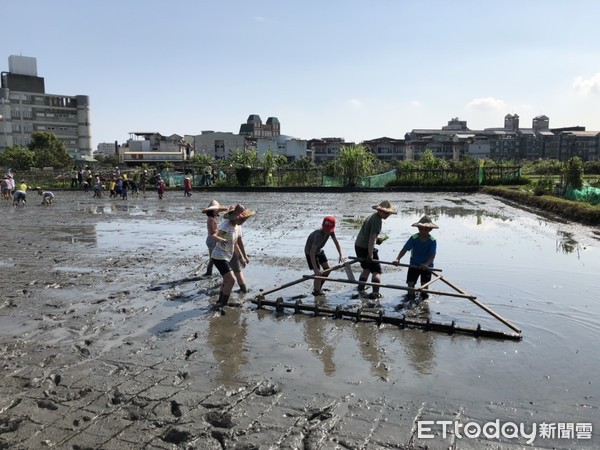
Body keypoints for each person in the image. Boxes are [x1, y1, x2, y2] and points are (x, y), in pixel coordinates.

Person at [211, 204, 255, 306]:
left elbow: (235, 244)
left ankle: (220, 301)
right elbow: (214, 235)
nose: (244, 221)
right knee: (231, 280)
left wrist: (241, 257)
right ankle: (223, 304)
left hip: (227, 256)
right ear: (235, 217)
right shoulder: (225, 226)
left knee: (226, 280)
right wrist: (220, 239)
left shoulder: (236, 227)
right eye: (242, 218)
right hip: (219, 256)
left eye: (244, 218)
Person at [354, 200, 397, 299]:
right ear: (380, 211)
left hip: (359, 245)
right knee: (376, 271)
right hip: (366, 247)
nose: (387, 215)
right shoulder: (377, 221)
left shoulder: (372, 216)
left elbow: (369, 234)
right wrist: (370, 254)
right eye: (386, 212)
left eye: (389, 213)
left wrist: (377, 240)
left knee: (366, 268)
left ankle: (360, 288)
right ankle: (375, 294)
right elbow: (372, 238)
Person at [393, 215, 438, 299]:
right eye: (421, 228)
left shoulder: (432, 240)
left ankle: (424, 300)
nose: (423, 230)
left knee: (424, 286)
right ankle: (410, 298)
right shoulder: (414, 238)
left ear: (430, 229)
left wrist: (427, 264)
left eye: (426, 229)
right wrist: (398, 258)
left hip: (427, 266)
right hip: (414, 264)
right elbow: (405, 249)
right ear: (418, 228)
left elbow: (432, 255)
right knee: (410, 284)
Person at [304, 216, 345, 295]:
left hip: (318, 251)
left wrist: (341, 254)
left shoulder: (331, 232)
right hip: (310, 253)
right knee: (318, 273)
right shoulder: (319, 235)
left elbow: (336, 243)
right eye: (326, 229)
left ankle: (318, 287)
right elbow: (312, 252)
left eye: (329, 230)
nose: (327, 232)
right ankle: (316, 292)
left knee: (328, 269)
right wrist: (316, 270)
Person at [201, 199, 228, 277]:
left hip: (210, 239)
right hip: (212, 240)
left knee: (212, 258)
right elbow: (213, 232)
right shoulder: (211, 220)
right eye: (216, 210)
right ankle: (224, 272)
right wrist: (220, 233)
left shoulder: (211, 219)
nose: (217, 212)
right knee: (217, 257)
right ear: (212, 211)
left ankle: (209, 272)